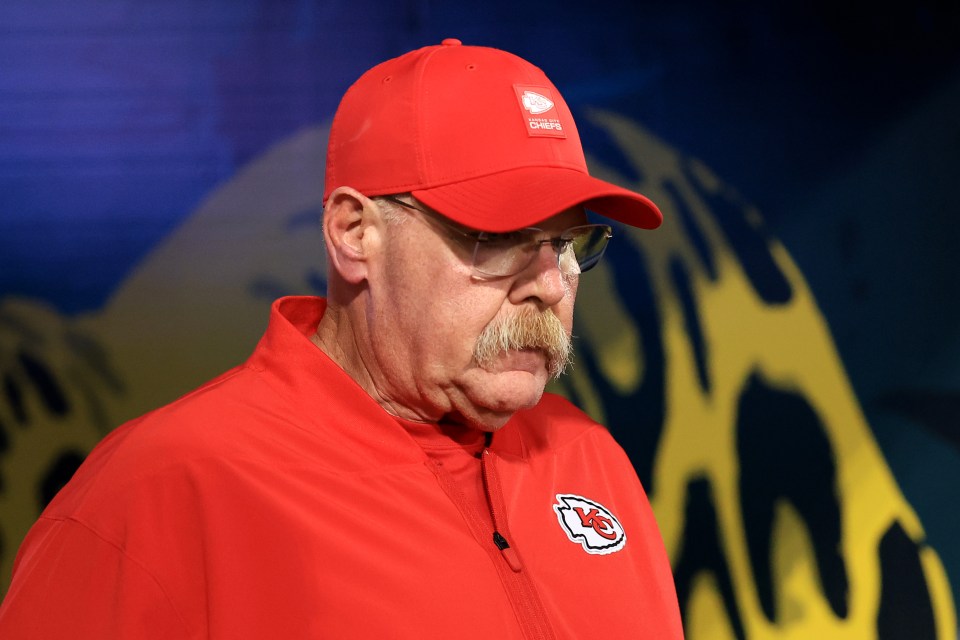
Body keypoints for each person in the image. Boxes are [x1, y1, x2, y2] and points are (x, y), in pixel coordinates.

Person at [0, 39, 683, 638]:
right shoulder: (163, 491)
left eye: (566, 242)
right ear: (355, 234)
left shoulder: (590, 461)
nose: (552, 285)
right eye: (498, 237)